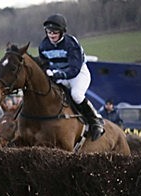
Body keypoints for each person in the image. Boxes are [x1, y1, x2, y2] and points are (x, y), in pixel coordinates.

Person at [39, 13, 104, 141]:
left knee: (76, 95)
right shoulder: (43, 45)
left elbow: (74, 68)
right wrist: (47, 71)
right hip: (59, 74)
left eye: (55, 32)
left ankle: (96, 121)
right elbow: (44, 64)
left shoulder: (71, 43)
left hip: (78, 74)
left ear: (62, 32)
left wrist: (58, 74)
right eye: (49, 32)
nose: (51, 35)